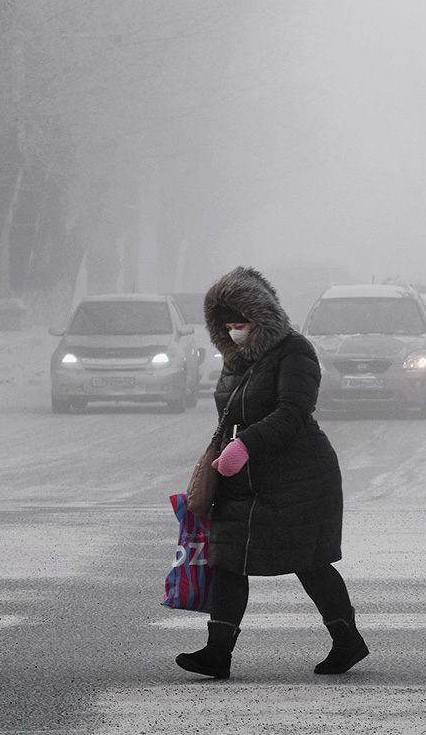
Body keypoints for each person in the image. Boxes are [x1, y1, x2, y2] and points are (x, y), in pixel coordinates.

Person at [176, 266, 369, 679]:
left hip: (298, 476)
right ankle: (217, 652)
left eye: (241, 322)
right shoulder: (234, 359)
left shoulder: (295, 351)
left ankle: (347, 640)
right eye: (226, 324)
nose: (234, 330)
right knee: (228, 559)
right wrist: (216, 456)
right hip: (241, 476)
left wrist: (245, 444)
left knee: (308, 560)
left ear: (262, 317)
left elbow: (294, 412)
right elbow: (230, 415)